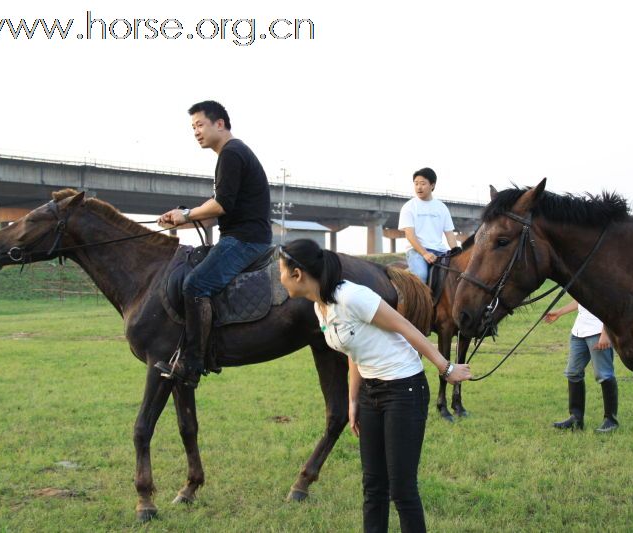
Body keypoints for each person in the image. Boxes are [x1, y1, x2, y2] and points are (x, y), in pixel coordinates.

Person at [277, 238, 471, 533]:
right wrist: (354, 400)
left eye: (280, 270)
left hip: (404, 388)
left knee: (402, 490)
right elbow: (355, 351)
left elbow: (405, 327)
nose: (279, 278)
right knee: (373, 486)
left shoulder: (352, 296)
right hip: (371, 392)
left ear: (297, 274)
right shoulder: (321, 308)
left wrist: (446, 368)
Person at [154, 100, 272, 387]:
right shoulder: (232, 153)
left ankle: (193, 363)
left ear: (220, 123)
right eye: (192, 127)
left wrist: (185, 214)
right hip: (241, 234)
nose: (196, 132)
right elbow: (222, 209)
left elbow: (220, 205)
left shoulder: (231, 153)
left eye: (200, 124)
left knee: (195, 285)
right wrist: (181, 219)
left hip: (246, 240)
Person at [543, 299, 619, 433]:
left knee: (604, 374)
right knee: (573, 373)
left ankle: (611, 421)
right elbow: (581, 299)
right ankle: (576, 418)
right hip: (578, 331)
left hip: (598, 331)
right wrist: (559, 312)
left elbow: (611, 304)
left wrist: (606, 332)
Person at [398, 168, 458, 284]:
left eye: (423, 183)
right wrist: (425, 253)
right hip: (416, 251)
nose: (419, 187)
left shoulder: (441, 207)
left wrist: (456, 251)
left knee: (458, 274)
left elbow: (449, 234)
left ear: (432, 185)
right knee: (420, 276)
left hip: (440, 251)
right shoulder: (409, 207)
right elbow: (410, 236)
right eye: (416, 184)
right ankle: (419, 302)